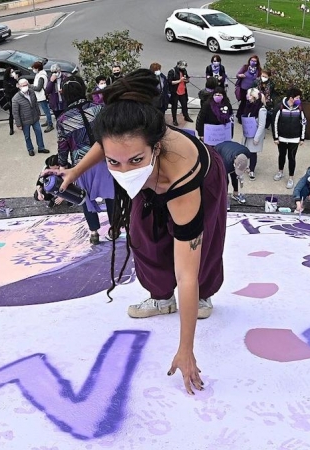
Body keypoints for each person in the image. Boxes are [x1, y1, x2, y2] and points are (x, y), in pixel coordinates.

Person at [44, 69, 228, 395]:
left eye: (134, 160)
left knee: (200, 252)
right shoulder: (124, 140)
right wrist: (77, 170)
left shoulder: (182, 185)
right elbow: (108, 145)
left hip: (197, 181)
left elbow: (187, 273)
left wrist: (186, 349)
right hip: (152, 178)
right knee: (142, 239)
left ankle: (205, 298)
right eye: (115, 163)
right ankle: (160, 297)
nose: (123, 171)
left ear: (156, 147)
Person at [56, 75, 115, 245]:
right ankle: (114, 228)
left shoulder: (63, 119)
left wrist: (63, 166)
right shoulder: (99, 109)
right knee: (111, 196)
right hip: (105, 159)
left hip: (81, 166)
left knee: (85, 198)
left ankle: (94, 232)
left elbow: (62, 146)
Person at [272, 88, 307, 189]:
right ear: (291, 98)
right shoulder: (280, 107)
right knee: (281, 155)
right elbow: (275, 122)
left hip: (294, 139)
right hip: (282, 138)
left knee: (292, 157)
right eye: (297, 97)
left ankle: (291, 178)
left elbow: (304, 122)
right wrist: (276, 137)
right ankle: (280, 172)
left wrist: (302, 138)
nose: (299, 99)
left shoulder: (299, 108)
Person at [13, 77, 48, 156]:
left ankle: (41, 148)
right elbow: (15, 113)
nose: (25, 87)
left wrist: (38, 113)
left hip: (34, 117)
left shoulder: (32, 92)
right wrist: (18, 124)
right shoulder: (16, 98)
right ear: (19, 86)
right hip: (25, 121)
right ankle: (30, 149)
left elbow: (35, 103)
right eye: (23, 85)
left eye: (26, 85)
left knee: (39, 133)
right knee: (27, 136)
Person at [214, 140, 252, 206]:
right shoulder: (227, 163)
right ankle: (224, 200)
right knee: (225, 181)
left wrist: (245, 167)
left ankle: (235, 194)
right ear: (234, 162)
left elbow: (241, 165)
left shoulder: (247, 152)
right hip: (218, 151)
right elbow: (224, 181)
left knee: (235, 174)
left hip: (231, 147)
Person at [241, 88, 267, 180]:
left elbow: (261, 125)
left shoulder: (261, 109)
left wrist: (257, 138)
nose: (248, 97)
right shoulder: (249, 106)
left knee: (252, 153)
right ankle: (247, 167)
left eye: (249, 95)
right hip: (248, 134)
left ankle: (252, 170)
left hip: (255, 135)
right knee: (247, 151)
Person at [234, 55, 261, 122]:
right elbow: (237, 74)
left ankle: (246, 117)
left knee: (250, 104)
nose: (253, 62)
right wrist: (240, 75)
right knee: (243, 103)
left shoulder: (258, 70)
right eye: (252, 60)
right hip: (243, 89)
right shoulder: (245, 67)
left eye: (255, 61)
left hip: (252, 91)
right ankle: (240, 117)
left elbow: (260, 79)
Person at [31, 61, 54, 132]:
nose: (33, 69)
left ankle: (50, 124)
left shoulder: (41, 77)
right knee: (46, 110)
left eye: (34, 68)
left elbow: (38, 88)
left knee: (46, 110)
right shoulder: (40, 74)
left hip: (42, 96)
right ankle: (48, 121)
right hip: (41, 95)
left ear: (37, 68)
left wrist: (30, 86)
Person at [168, 60, 192, 126]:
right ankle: (174, 119)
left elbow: (186, 78)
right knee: (174, 106)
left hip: (183, 91)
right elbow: (170, 82)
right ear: (178, 65)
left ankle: (186, 116)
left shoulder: (184, 71)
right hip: (175, 92)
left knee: (184, 105)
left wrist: (187, 80)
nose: (183, 68)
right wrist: (179, 80)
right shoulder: (172, 71)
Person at [4, 68, 20, 135]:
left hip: (17, 97)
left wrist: (17, 79)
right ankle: (11, 128)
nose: (13, 73)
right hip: (11, 99)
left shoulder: (14, 79)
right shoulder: (6, 81)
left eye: (13, 71)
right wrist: (16, 87)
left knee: (19, 112)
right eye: (12, 72)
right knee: (11, 114)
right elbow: (8, 91)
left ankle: (20, 125)